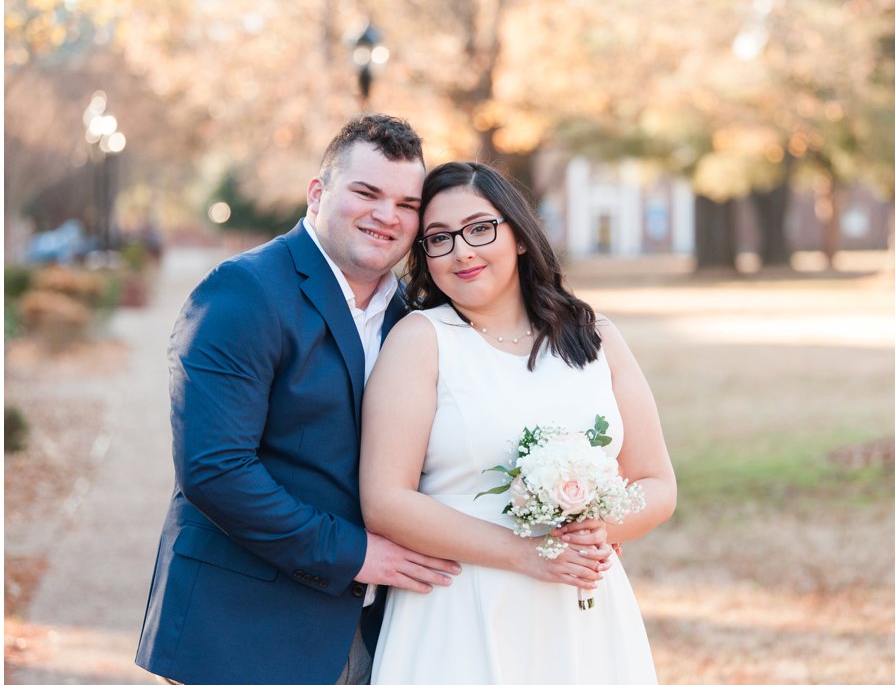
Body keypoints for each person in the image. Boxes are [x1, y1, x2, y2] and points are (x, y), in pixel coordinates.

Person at [135, 115, 462, 685]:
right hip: (244, 628)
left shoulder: (413, 316)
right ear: (318, 193)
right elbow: (215, 469)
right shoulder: (243, 292)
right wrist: (355, 556)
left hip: (377, 635)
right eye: (366, 192)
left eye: (407, 204)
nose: (387, 216)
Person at [360, 161, 677, 684]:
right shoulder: (421, 340)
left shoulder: (593, 336)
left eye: (480, 228)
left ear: (521, 236)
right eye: (438, 239)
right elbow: (384, 500)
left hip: (583, 607)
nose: (461, 250)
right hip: (460, 607)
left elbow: (657, 484)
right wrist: (527, 555)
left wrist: (591, 533)